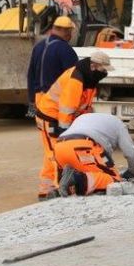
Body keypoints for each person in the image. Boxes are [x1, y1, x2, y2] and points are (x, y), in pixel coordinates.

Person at [34, 51, 113, 199]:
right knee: (55, 153)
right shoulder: (77, 78)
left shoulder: (88, 78)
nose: (104, 73)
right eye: (103, 69)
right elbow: (67, 107)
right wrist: (65, 132)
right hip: (50, 117)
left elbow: (84, 106)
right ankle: (58, 189)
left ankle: (46, 189)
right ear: (94, 66)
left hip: (58, 117)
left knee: (52, 153)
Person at [27, 16, 79, 198]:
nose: (71, 34)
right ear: (65, 31)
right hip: (55, 106)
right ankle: (57, 187)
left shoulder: (39, 47)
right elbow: (75, 79)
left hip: (40, 102)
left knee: (48, 147)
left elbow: (30, 75)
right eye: (70, 31)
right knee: (58, 147)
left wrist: (31, 102)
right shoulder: (65, 50)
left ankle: (46, 187)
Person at [54, 112, 134, 197]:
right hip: (84, 147)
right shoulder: (118, 123)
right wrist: (132, 172)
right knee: (115, 181)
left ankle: (57, 191)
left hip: (59, 148)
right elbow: (131, 153)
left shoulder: (83, 117)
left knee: (85, 176)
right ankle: (76, 178)